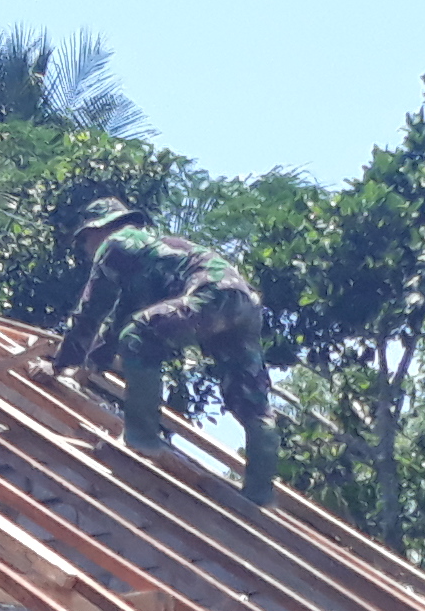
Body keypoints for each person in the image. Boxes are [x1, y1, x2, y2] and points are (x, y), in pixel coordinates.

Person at [52, 198, 278, 503]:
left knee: (140, 335)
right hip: (243, 303)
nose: (85, 248)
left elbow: (90, 313)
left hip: (209, 294)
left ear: (98, 230)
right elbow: (118, 322)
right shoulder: (149, 252)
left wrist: (58, 366)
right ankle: (261, 495)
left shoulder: (116, 244)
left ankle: (142, 437)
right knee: (251, 400)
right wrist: (87, 369)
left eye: (84, 240)